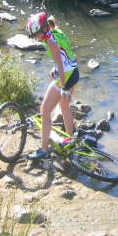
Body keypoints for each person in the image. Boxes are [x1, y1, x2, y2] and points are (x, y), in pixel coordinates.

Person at [25, 12, 79, 159]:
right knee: (64, 106)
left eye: (35, 35)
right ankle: (70, 139)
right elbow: (65, 53)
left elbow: (60, 65)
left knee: (45, 110)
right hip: (74, 71)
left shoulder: (49, 41)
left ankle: (43, 149)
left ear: (42, 30)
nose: (35, 38)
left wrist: (63, 87)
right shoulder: (55, 30)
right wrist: (55, 68)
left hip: (66, 75)